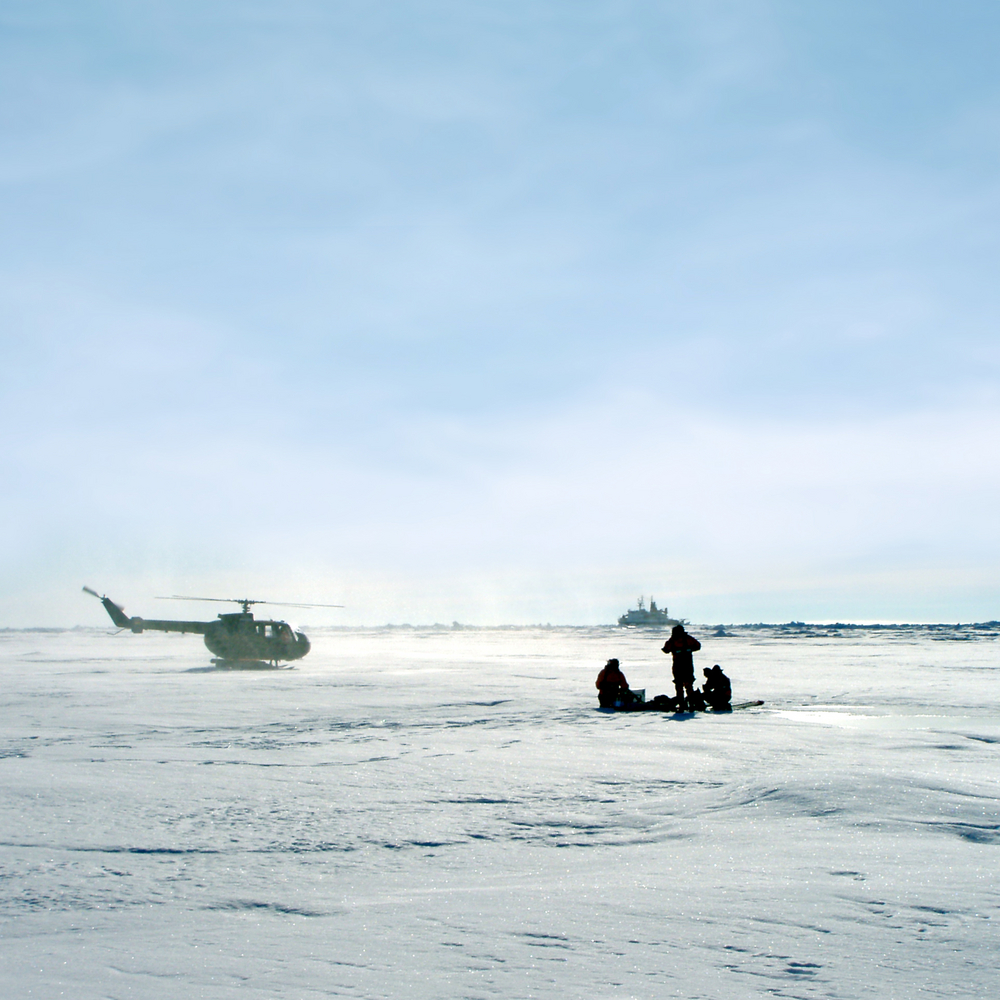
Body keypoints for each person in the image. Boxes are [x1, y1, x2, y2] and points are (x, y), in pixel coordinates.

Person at [661, 625, 701, 711]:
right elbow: (698, 646)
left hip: (678, 667)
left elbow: (665, 650)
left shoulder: (672, 640)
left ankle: (682, 706)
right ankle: (691, 705)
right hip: (688, 666)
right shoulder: (688, 639)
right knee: (689, 685)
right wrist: (689, 650)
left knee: (679, 686)